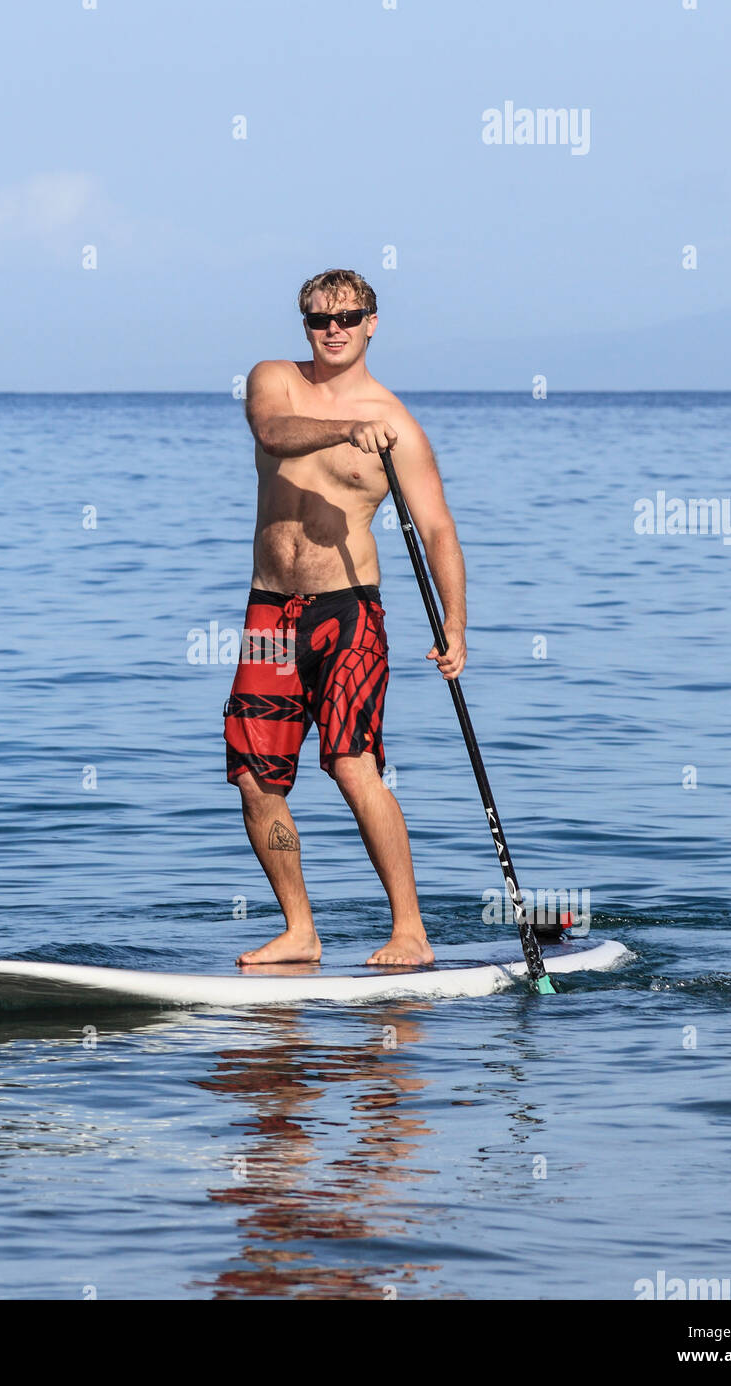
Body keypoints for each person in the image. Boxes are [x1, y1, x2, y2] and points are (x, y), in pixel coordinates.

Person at [225, 268, 467, 967]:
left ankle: (410, 932)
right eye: (317, 318)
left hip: (348, 612)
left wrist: (454, 624)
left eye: (347, 316)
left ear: (372, 323)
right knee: (255, 776)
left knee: (352, 763)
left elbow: (438, 530)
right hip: (271, 613)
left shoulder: (398, 425)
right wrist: (343, 430)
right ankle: (301, 930)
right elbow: (273, 433)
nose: (332, 329)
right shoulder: (274, 379)